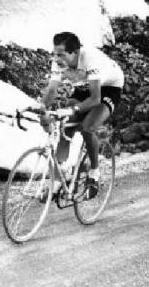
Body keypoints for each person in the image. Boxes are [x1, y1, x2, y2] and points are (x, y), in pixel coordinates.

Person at [37, 31, 123, 199]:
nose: (56, 59)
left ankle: (94, 173)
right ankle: (58, 179)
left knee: (88, 127)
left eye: (61, 55)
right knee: (65, 125)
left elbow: (96, 98)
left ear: (75, 52)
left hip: (108, 89)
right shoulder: (59, 61)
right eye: (55, 54)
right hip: (84, 86)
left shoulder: (91, 58)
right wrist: (41, 108)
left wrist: (72, 110)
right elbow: (52, 90)